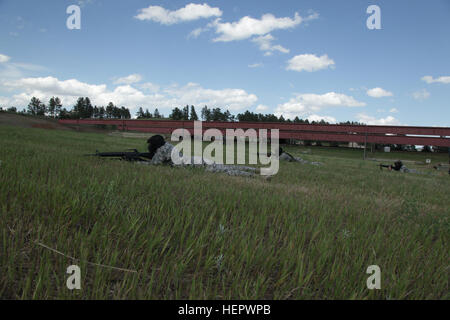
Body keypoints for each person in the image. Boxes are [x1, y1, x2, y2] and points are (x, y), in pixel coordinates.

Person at [145, 135, 259, 177]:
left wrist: (135, 160)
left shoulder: (161, 151)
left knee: (228, 172)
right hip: (198, 160)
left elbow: (153, 164)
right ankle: (254, 170)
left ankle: (255, 176)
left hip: (199, 164)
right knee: (229, 166)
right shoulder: (168, 146)